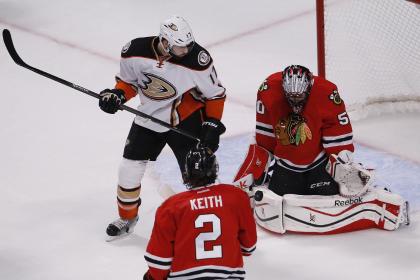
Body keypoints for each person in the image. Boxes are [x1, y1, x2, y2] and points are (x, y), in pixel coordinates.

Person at [233, 65, 409, 234]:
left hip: (318, 165)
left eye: (299, 96)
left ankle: (369, 190)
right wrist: (256, 167)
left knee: (334, 192)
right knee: (278, 195)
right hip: (286, 166)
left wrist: (341, 161)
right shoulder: (268, 91)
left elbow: (338, 133)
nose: (295, 101)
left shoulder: (327, 93)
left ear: (308, 88)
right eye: (291, 96)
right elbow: (265, 137)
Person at [99, 15, 226, 239]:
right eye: (180, 47)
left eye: (188, 44)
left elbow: (216, 94)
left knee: (198, 174)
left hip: (186, 118)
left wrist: (212, 124)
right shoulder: (134, 51)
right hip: (149, 117)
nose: (186, 50)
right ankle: (127, 217)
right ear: (165, 42)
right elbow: (129, 83)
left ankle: (210, 222)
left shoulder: (198, 59)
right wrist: (117, 94)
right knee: (128, 170)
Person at [143, 146, 257, 280]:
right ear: (215, 169)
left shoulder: (171, 207)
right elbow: (248, 247)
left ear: (187, 173)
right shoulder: (237, 197)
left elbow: (158, 263)